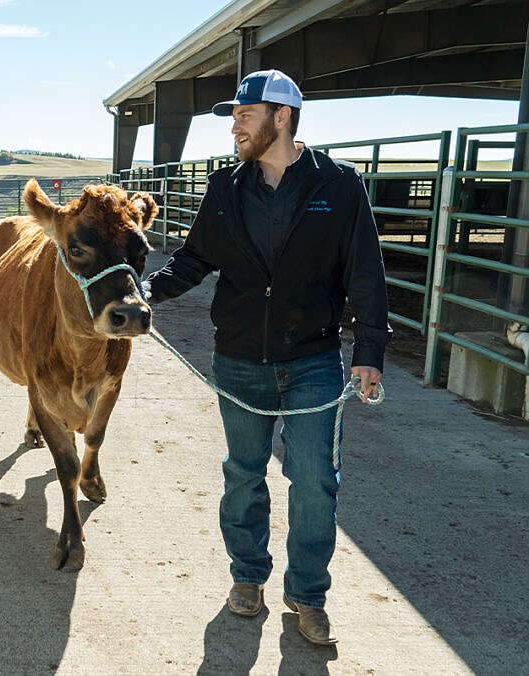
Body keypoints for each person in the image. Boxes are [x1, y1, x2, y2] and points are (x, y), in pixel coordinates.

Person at [143, 70, 390, 645]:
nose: (234, 125)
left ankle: (307, 595)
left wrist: (370, 351)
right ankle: (248, 576)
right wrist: (143, 294)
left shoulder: (340, 185)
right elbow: (193, 260)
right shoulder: (226, 188)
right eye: (234, 116)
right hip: (240, 358)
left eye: (244, 114)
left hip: (312, 360)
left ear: (281, 117)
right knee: (243, 476)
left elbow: (366, 276)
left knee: (314, 481)